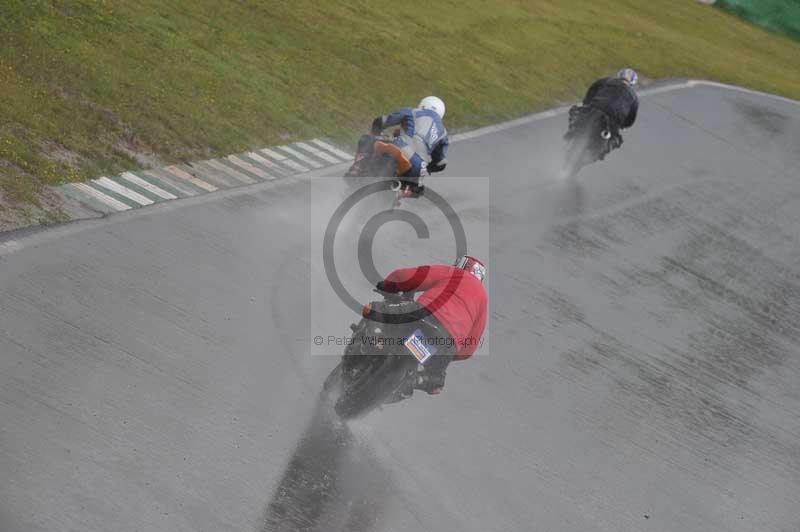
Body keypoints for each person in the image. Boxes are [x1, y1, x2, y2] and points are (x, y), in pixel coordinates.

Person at [375, 255, 488, 396]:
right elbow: (469, 348)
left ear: (461, 265)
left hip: (424, 317)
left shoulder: (454, 273)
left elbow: (409, 276)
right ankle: (418, 380)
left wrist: (387, 284)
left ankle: (375, 341)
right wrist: (449, 354)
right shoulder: (483, 299)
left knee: (378, 313)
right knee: (435, 382)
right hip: (446, 344)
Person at [359, 96, 450, 197]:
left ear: (422, 105)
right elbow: (441, 163)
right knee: (418, 190)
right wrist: (427, 168)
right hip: (418, 165)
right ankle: (399, 194)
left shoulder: (412, 111)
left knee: (365, 140)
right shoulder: (443, 133)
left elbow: (381, 121)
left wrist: (376, 134)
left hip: (400, 146)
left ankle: (357, 168)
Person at [575, 68, 639, 155]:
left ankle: (575, 134)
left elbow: (592, 89)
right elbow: (631, 119)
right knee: (612, 141)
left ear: (619, 76)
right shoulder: (634, 97)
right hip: (614, 119)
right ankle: (594, 153)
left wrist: (586, 103)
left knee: (577, 114)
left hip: (596, 107)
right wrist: (623, 125)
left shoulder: (607, 80)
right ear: (632, 83)